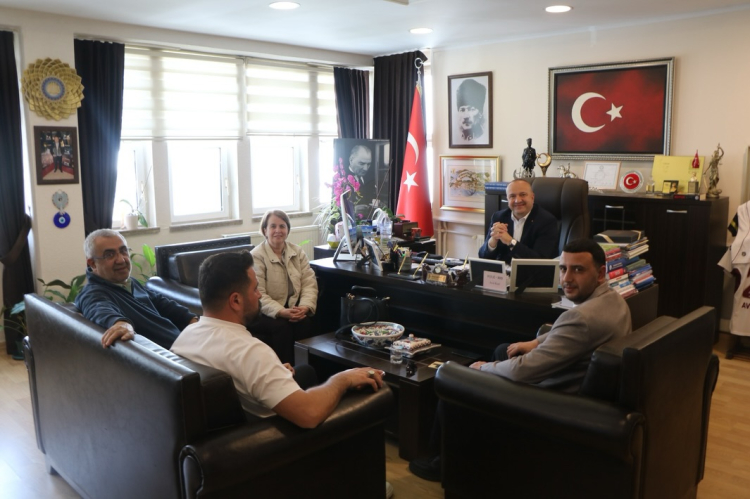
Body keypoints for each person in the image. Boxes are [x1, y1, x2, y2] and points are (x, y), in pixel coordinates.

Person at [171, 250, 395, 499]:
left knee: (305, 372)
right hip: (272, 450)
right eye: (255, 289)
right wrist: (342, 378)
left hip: (222, 447)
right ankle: (363, 483)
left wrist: (274, 372)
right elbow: (308, 415)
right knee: (360, 391)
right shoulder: (249, 352)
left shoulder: (186, 336)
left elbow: (237, 374)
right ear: (235, 300)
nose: (259, 295)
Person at [409, 239, 633, 481]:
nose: (567, 278)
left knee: (455, 377)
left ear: (599, 273)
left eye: (578, 269)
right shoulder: (615, 301)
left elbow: (522, 371)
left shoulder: (582, 318)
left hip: (551, 400)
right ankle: (481, 442)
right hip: (576, 386)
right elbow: (573, 335)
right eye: (563, 268)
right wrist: (536, 342)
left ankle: (442, 462)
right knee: (503, 350)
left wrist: (485, 369)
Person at [75, 229, 198, 349]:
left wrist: (192, 321)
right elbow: (98, 309)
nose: (121, 260)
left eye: (123, 251)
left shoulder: (128, 282)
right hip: (174, 354)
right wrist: (120, 323)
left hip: (188, 344)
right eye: (109, 255)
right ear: (92, 263)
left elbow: (162, 303)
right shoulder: (92, 293)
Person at [249, 210, 318, 364]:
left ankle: (303, 370)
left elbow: (309, 283)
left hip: (292, 307)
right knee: (282, 326)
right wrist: (280, 311)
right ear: (265, 230)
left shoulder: (297, 252)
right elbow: (258, 293)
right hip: (263, 312)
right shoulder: (256, 256)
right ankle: (283, 371)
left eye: (282, 226)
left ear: (287, 229)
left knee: (304, 322)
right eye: (273, 226)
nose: (278, 230)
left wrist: (305, 306)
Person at [478, 178, 559, 264]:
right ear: (508, 199)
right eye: (512, 196)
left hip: (529, 272)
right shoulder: (499, 217)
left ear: (532, 197)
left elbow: (539, 261)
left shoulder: (546, 221)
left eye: (523, 195)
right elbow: (483, 257)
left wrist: (510, 242)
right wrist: (493, 241)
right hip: (503, 271)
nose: (518, 200)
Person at [346, 144, 376, 214]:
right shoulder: (340, 180)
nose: (366, 169)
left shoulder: (371, 178)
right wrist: (352, 211)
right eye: (361, 163)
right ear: (351, 160)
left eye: (368, 164)